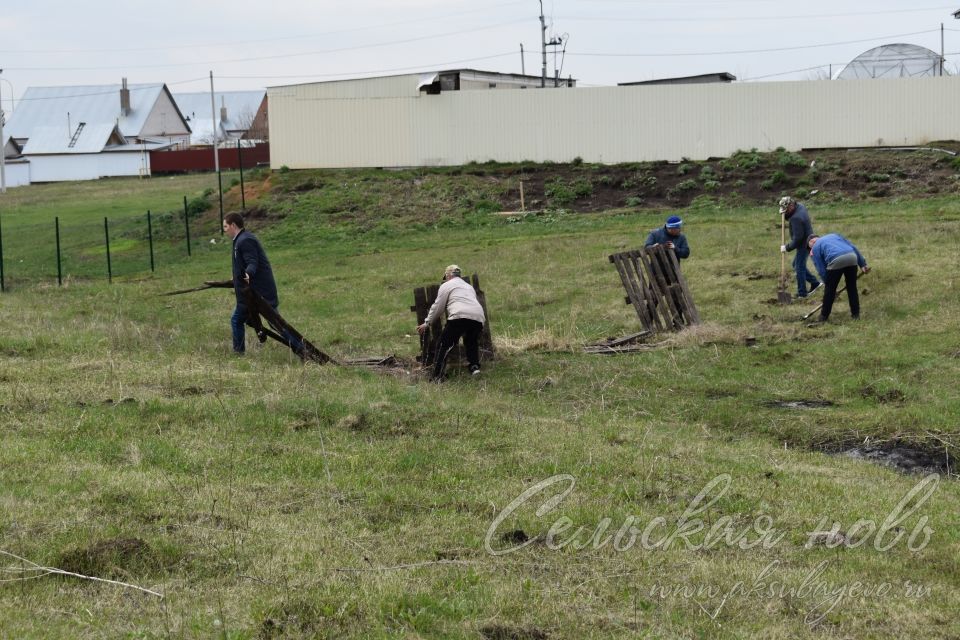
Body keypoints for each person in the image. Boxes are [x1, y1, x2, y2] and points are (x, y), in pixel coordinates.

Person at [221, 212, 301, 355]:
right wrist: (237, 277)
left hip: (259, 293)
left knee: (273, 323)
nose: (224, 230)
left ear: (233, 225)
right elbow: (244, 263)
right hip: (252, 294)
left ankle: (302, 348)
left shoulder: (245, 240)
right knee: (271, 323)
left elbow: (252, 261)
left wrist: (248, 273)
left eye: (226, 226)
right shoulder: (240, 240)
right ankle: (299, 348)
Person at [417, 265, 486, 381]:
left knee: (443, 345)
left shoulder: (447, 285)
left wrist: (427, 323)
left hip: (459, 316)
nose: (445, 279)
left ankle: (437, 376)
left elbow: (438, 306)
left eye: (446, 277)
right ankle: (474, 367)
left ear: (449, 275)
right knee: (471, 341)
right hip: (478, 317)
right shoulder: (469, 287)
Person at [807, 234, 870, 322]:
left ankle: (823, 317)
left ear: (811, 243)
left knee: (830, 290)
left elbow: (821, 269)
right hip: (851, 257)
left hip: (835, 259)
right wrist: (863, 264)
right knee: (852, 288)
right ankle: (856, 315)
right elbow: (853, 247)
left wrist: (829, 285)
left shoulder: (814, 248)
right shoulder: (834, 235)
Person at [779, 196, 821, 298]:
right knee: (796, 264)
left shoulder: (796, 218)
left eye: (786, 210)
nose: (785, 212)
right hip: (808, 238)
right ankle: (815, 283)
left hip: (804, 244)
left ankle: (802, 293)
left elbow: (798, 239)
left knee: (799, 268)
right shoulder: (800, 206)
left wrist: (787, 247)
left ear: (791, 206)